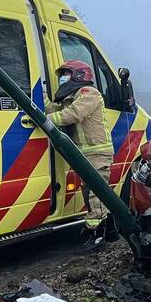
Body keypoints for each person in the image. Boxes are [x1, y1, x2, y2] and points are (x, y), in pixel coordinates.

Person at [46, 60, 114, 250]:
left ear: (78, 75)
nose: (63, 79)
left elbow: (73, 115)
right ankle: (108, 230)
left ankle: (98, 237)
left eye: (66, 74)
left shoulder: (89, 93)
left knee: (95, 195)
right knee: (88, 192)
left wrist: (42, 120)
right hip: (85, 154)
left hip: (98, 152)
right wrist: (41, 97)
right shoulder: (71, 97)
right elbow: (56, 111)